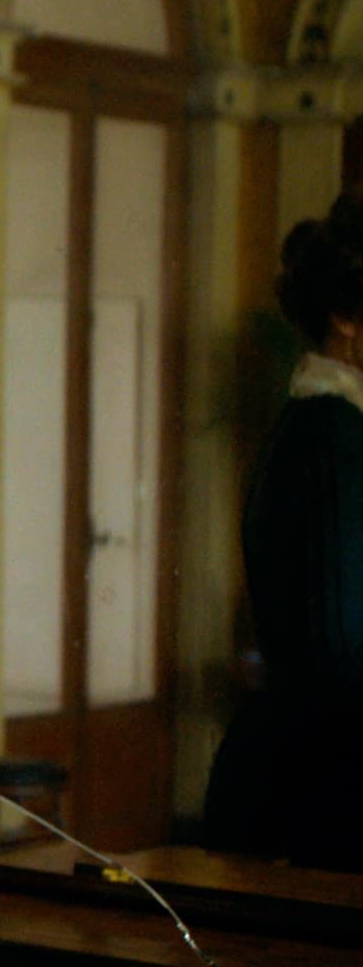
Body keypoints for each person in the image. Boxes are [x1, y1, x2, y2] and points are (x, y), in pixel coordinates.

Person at [204, 191, 363, 873]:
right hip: (319, 796)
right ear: (345, 318)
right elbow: (339, 657)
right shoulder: (329, 439)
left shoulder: (331, 427)